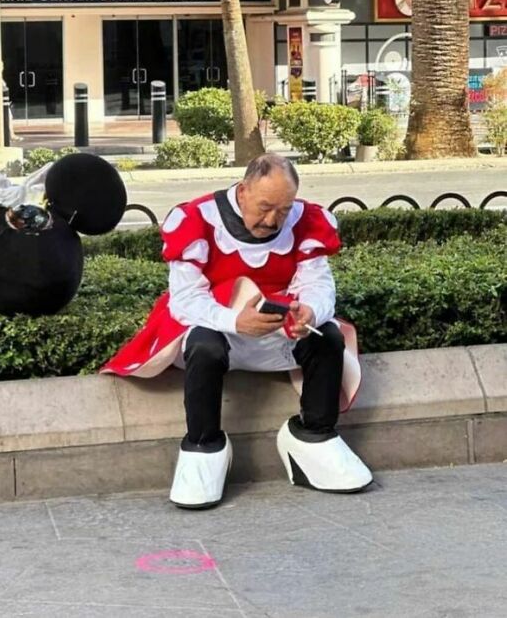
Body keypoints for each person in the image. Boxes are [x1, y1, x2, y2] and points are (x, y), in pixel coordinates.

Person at [102, 153, 372, 509]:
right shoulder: (196, 220)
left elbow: (319, 285)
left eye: (283, 209)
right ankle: (203, 445)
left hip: (279, 333)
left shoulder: (306, 221)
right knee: (203, 346)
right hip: (219, 328)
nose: (273, 220)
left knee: (329, 339)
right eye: (264, 207)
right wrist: (234, 322)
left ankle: (314, 435)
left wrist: (311, 310)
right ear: (243, 191)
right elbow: (184, 301)